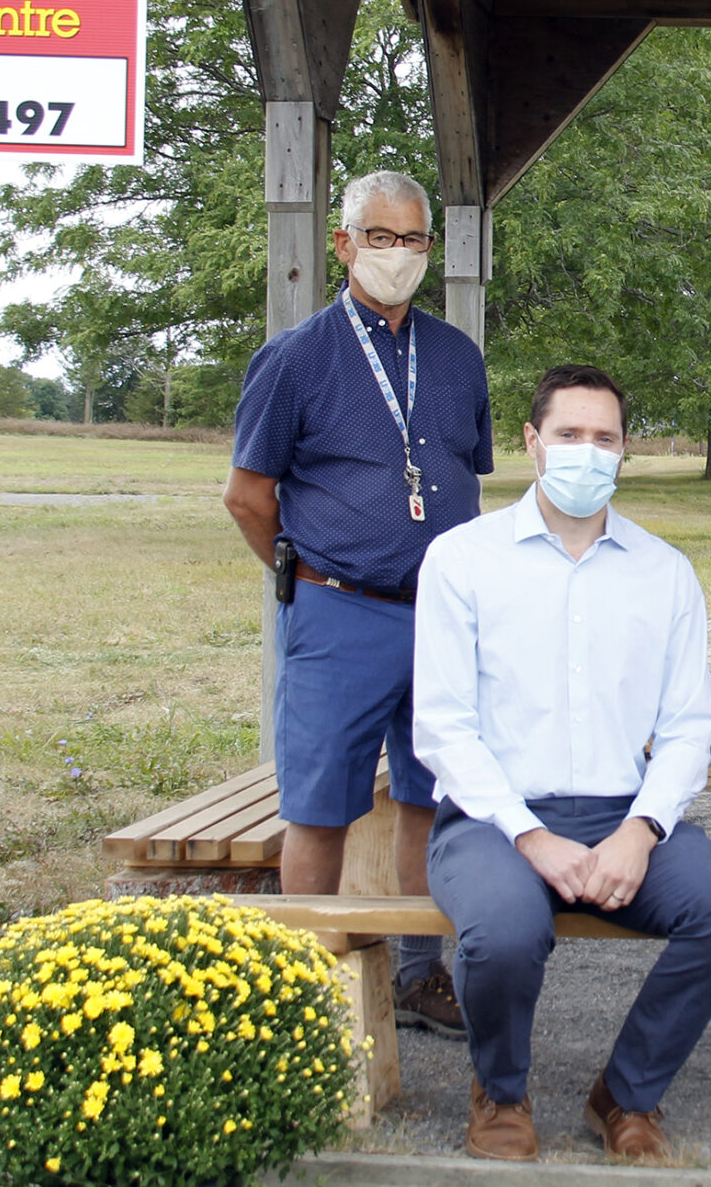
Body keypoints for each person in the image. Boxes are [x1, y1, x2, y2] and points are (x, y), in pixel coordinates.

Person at [413, 365, 711, 1162]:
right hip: (493, 821)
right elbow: (441, 725)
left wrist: (641, 831)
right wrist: (530, 836)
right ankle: (500, 1094)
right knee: (503, 932)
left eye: (604, 439)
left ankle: (627, 1094)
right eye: (569, 435)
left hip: (619, 813)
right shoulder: (463, 560)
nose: (586, 452)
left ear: (623, 452)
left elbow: (686, 726)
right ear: (533, 443)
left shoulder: (662, 570)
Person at [225, 169, 488, 1037]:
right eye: (381, 237)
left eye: (414, 239)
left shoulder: (456, 357)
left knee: (431, 794)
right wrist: (301, 576)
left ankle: (420, 972)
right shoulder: (296, 358)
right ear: (343, 244)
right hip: (338, 608)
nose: (399, 254)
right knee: (321, 799)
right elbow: (247, 495)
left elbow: (459, 472)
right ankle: (304, 982)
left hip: (442, 614)